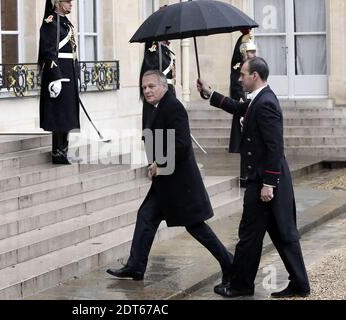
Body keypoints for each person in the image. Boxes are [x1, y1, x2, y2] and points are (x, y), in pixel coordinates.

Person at [197, 57, 310, 298]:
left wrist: (269, 183)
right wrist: (211, 94)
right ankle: (296, 284)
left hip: (265, 182)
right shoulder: (258, 99)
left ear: (255, 76)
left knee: (257, 235)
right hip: (263, 180)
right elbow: (239, 108)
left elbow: (274, 146)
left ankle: (242, 285)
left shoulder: (266, 102)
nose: (240, 79)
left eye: (243, 75)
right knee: (270, 234)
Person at [106, 70, 233, 282]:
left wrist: (160, 162)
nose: (146, 90)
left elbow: (182, 145)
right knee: (146, 217)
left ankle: (230, 264)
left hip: (180, 184)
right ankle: (135, 266)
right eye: (144, 87)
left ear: (164, 86)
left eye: (151, 86)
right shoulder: (156, 107)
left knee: (196, 227)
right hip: (165, 182)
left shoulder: (173, 107)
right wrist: (153, 164)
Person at [38, 0, 80, 165]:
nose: (71, 4)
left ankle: (64, 150)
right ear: (57, 3)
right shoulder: (50, 22)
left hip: (69, 72)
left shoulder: (66, 23)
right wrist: (55, 76)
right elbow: (48, 51)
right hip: (60, 72)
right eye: (67, 1)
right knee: (60, 115)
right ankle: (58, 152)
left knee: (67, 114)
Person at [229, 29, 257, 154]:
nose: (253, 54)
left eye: (253, 51)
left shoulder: (252, 65)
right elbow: (236, 82)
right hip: (241, 95)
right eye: (250, 52)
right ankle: (237, 146)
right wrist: (241, 96)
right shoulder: (239, 65)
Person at [140, 40, 176, 132]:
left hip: (168, 99)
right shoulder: (154, 51)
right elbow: (148, 79)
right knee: (158, 141)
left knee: (169, 139)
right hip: (157, 105)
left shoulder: (164, 51)